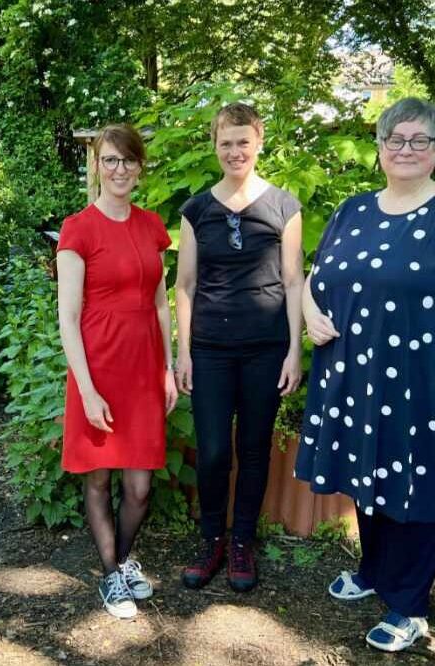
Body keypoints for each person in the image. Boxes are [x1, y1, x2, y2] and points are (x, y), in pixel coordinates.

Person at [296, 97, 435, 652]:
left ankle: (410, 604)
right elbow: (315, 276)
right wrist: (310, 312)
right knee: (368, 475)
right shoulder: (352, 211)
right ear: (380, 147)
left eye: (420, 140)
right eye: (395, 139)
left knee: (419, 486)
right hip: (356, 378)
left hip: (426, 384)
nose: (406, 149)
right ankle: (373, 570)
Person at [174, 102, 304, 593]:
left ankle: (243, 542)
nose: (234, 151)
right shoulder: (196, 210)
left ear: (259, 141)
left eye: (242, 142)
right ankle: (212, 540)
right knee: (211, 452)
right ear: (215, 146)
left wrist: (294, 351)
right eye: (225, 143)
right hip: (210, 349)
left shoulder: (284, 207)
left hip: (265, 349)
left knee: (253, 448)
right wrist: (183, 353)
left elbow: (293, 282)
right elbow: (185, 285)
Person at [56, 124, 178, 619]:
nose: (119, 169)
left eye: (128, 160)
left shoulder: (152, 226)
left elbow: (161, 304)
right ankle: (111, 574)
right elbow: (67, 318)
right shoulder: (79, 228)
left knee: (140, 487)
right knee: (98, 480)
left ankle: (123, 561)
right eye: (110, 160)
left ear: (139, 167)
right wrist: (87, 391)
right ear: (97, 166)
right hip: (99, 367)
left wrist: (168, 368)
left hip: (144, 368)